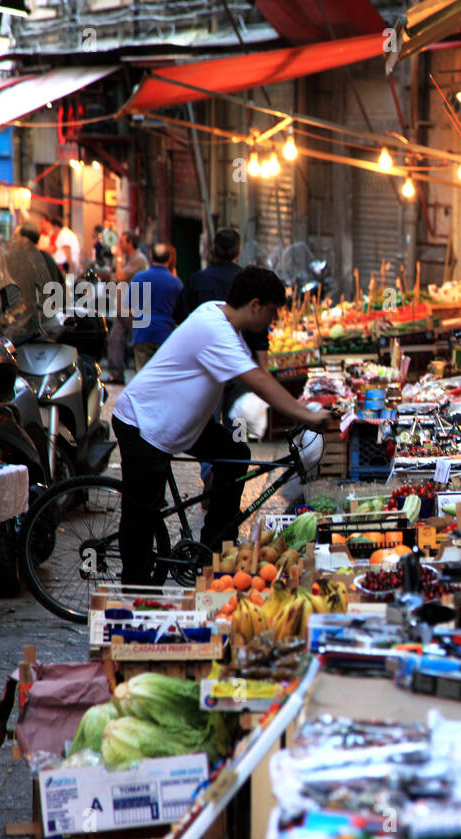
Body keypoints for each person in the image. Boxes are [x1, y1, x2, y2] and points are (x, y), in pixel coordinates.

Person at [111, 266, 331, 585]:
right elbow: (255, 380)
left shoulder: (222, 320)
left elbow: (260, 375)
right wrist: (306, 415)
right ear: (255, 305)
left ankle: (214, 554)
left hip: (182, 425)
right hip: (144, 422)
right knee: (143, 514)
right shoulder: (213, 328)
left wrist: (297, 410)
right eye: (271, 312)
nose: (272, 321)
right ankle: (137, 593)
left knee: (234, 454)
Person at [174, 227, 271, 401]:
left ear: (213, 249)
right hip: (240, 367)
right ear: (238, 250)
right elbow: (260, 333)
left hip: (205, 365)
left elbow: (181, 322)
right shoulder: (249, 283)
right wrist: (264, 370)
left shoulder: (195, 281)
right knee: (238, 421)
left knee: (207, 422)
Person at [129, 242, 184, 371]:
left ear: (151, 256)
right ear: (169, 259)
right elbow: (180, 311)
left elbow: (130, 307)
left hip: (142, 333)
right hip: (165, 334)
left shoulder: (139, 278)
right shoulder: (176, 282)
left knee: (142, 377)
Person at [104, 230, 148, 384]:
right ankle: (116, 373)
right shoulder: (131, 259)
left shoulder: (138, 259)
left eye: (122, 241)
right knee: (115, 339)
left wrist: (118, 259)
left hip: (131, 308)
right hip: (123, 307)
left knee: (137, 341)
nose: (119, 245)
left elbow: (121, 276)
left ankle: (138, 374)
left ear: (130, 243)